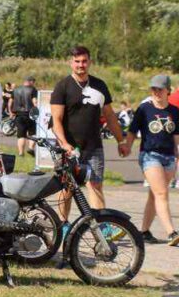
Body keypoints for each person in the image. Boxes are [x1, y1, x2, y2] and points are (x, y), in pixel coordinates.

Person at [50, 46, 129, 232]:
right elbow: (56, 121)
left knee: (95, 184)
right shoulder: (62, 86)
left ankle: (102, 227)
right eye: (77, 61)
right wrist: (64, 144)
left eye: (84, 61)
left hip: (94, 146)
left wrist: (121, 141)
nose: (81, 65)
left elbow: (110, 116)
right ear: (71, 63)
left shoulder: (100, 85)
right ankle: (63, 224)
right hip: (67, 147)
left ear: (89, 62)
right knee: (67, 188)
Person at [122, 75, 179, 246]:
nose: (156, 92)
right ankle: (171, 232)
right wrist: (127, 147)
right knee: (162, 193)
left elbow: (176, 137)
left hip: (169, 157)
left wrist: (177, 157)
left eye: (160, 89)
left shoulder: (175, 112)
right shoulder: (144, 109)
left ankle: (144, 231)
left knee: (155, 195)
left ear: (168, 90)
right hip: (149, 155)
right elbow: (132, 131)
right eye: (153, 89)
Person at [11, 76, 38, 156]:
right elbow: (35, 102)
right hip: (30, 114)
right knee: (33, 133)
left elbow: (10, 102)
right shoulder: (32, 90)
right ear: (30, 81)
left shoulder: (15, 90)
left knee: (21, 134)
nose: (34, 84)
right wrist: (37, 109)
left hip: (18, 115)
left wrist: (11, 112)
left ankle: (21, 152)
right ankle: (30, 148)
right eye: (33, 82)